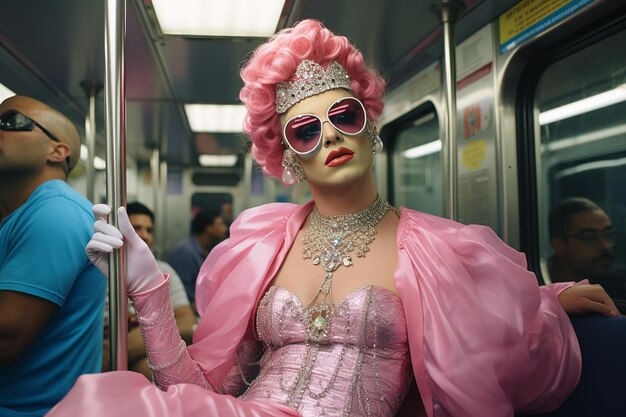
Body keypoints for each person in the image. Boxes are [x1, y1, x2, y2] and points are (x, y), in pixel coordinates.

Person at [48, 20, 620, 417]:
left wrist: (544, 300)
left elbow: (484, 329)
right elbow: (198, 392)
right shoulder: (261, 243)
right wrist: (146, 287)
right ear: (287, 152)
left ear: (368, 121)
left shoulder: (440, 249)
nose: (330, 138)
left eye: (342, 115)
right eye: (305, 129)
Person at [0, 95, 106, 416]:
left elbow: (7, 337)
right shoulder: (20, 215)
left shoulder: (56, 211)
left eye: (10, 122)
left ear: (57, 150)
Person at [101, 202, 196, 378]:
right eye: (136, 228)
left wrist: (123, 346)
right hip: (105, 341)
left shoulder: (162, 269)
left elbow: (186, 321)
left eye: (149, 230)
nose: (145, 236)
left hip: (122, 349)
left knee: (148, 368)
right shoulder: (101, 268)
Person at [548, 197, 626, 311]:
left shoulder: (616, 284)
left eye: (607, 234)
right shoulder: (541, 293)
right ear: (560, 245)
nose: (605, 246)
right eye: (589, 237)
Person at [168, 208, 227, 307]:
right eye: (220, 224)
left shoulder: (206, 250)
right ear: (209, 228)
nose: (225, 228)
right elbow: (185, 293)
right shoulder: (184, 252)